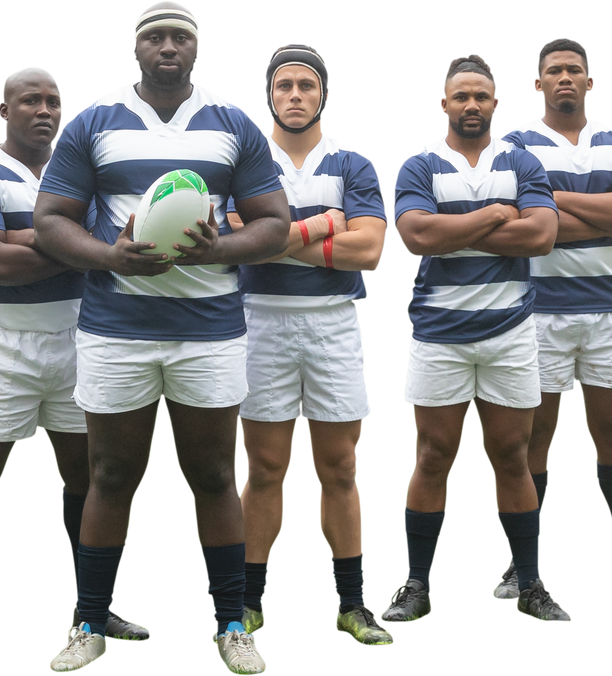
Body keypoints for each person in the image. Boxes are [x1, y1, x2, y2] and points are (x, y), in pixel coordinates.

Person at [34, 2, 291, 673]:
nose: (167, 46)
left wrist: (217, 250)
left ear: (198, 49)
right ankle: (88, 621)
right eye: (155, 36)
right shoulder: (94, 120)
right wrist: (109, 256)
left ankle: (232, 624)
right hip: (117, 329)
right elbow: (51, 219)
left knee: (210, 473)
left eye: (180, 36)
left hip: (208, 330)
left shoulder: (233, 122)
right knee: (111, 474)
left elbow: (274, 224)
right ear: (134, 47)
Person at [0, 64, 150, 661]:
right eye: (30, 101)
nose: (45, 110)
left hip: (80, 341)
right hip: (2, 346)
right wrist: (84, 249)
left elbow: (100, 243)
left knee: (89, 481)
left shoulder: (84, 172)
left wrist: (36, 239)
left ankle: (92, 609)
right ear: (2, 109)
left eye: (54, 101)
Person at [381, 51, 571, 626]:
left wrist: (456, 227)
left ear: (497, 103)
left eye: (481, 96)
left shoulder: (523, 161)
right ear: (444, 103)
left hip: (511, 332)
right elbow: (417, 235)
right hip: (440, 334)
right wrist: (493, 213)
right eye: (460, 96)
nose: (471, 105)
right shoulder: (417, 165)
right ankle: (415, 584)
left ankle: (531, 582)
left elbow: (540, 235)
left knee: (512, 456)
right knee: (433, 455)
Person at [490, 36, 612, 605]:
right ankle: (520, 572)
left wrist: (555, 204)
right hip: (537, 314)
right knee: (531, 444)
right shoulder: (514, 143)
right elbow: (521, 227)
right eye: (553, 71)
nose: (564, 78)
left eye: (574, 70)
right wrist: (601, 215)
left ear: (590, 83)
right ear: (537, 84)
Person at [227, 42, 393, 648]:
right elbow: (233, 241)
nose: (295, 95)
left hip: (334, 322)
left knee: (341, 467)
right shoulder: (246, 161)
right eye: (284, 86)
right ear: (268, 94)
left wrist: (276, 237)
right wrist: (326, 224)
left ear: (324, 93)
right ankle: (247, 603)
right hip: (259, 321)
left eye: (306, 85)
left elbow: (371, 251)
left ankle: (353, 603)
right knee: (264, 467)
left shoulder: (353, 162)